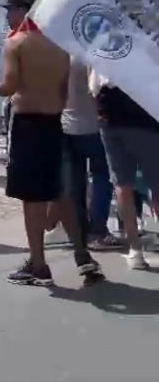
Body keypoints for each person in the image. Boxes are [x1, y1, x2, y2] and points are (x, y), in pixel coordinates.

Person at [0, 0, 101, 286]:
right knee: (60, 193)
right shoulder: (60, 46)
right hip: (54, 122)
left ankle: (38, 265)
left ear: (24, 10)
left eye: (10, 9)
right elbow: (63, 92)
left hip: (28, 125)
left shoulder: (16, 42)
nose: (7, 15)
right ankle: (81, 254)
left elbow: (11, 83)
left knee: (32, 200)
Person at [93, 79, 159, 270]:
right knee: (156, 185)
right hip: (147, 119)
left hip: (111, 119)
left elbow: (94, 85)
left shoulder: (103, 50)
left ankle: (135, 251)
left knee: (122, 185)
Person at [60, 58, 120, 251]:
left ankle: (77, 232)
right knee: (103, 177)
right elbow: (98, 89)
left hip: (67, 125)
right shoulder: (93, 54)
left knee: (75, 183)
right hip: (95, 127)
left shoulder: (61, 52)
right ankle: (97, 231)